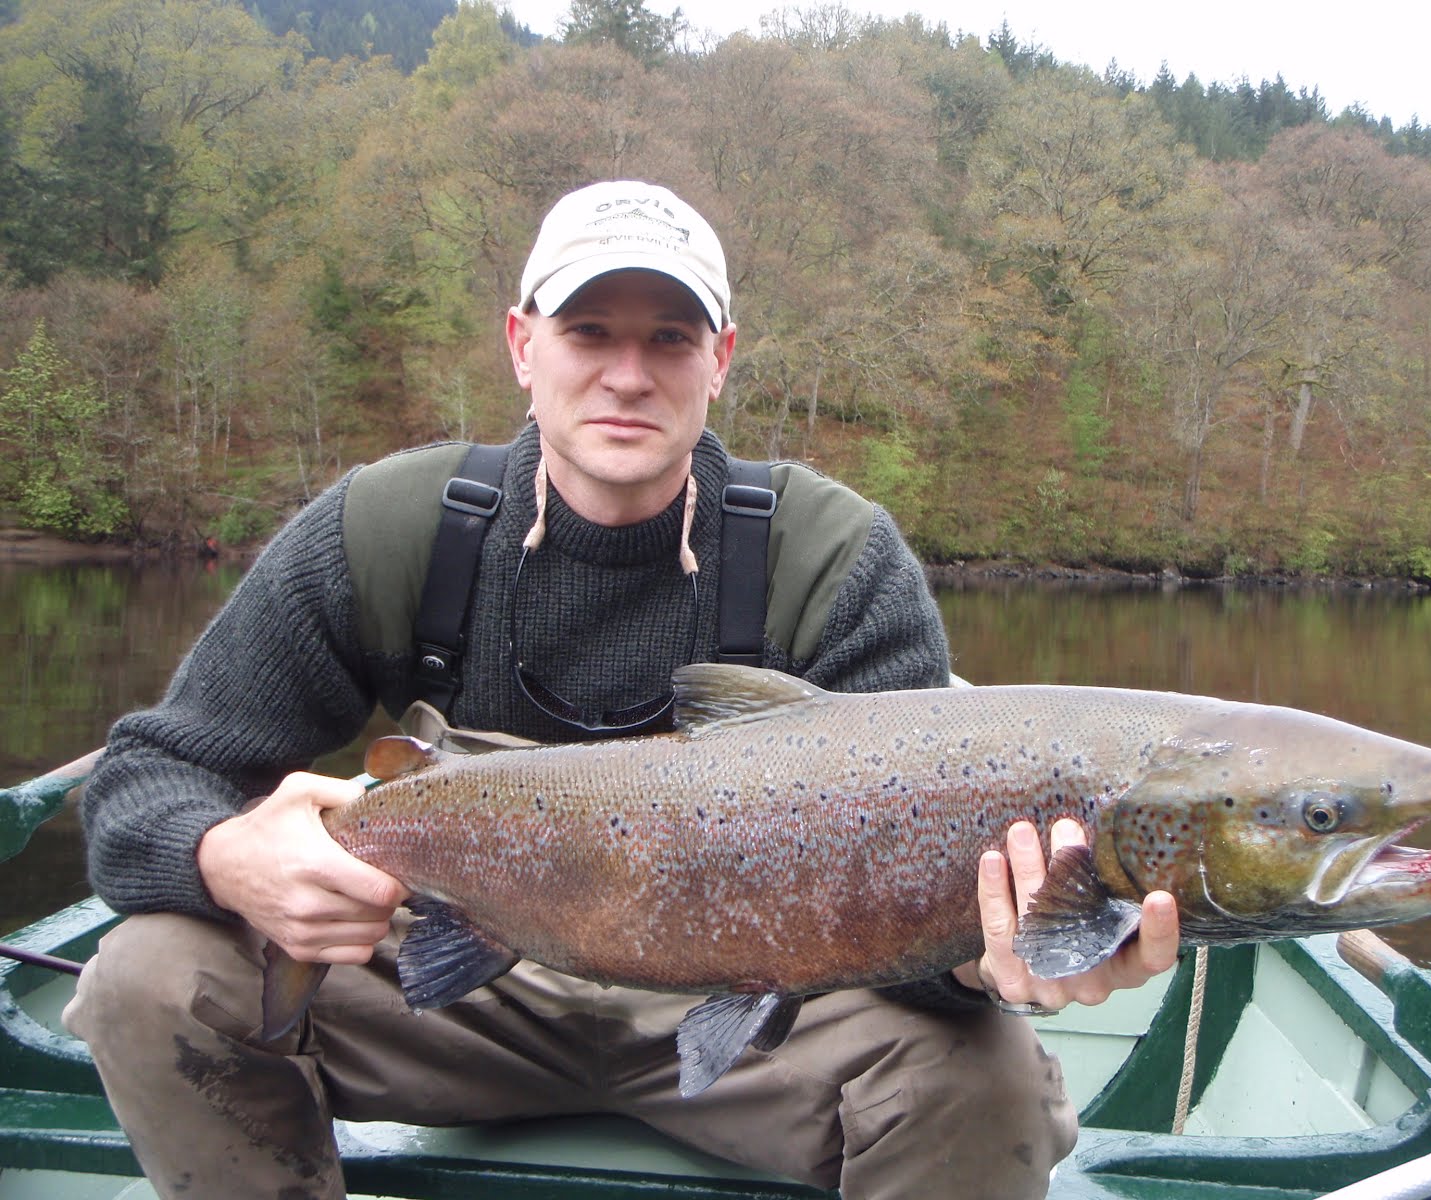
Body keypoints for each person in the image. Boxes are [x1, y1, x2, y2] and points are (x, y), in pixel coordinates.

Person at [65, 181, 1180, 1199]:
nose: (628, 373)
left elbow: (911, 970)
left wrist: (1007, 954)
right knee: (147, 980)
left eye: (670, 338)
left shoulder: (837, 563)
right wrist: (228, 856)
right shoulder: (387, 530)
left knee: (989, 1082)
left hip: (761, 1020)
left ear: (721, 358)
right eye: (589, 331)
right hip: (459, 989)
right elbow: (144, 786)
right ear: (522, 345)